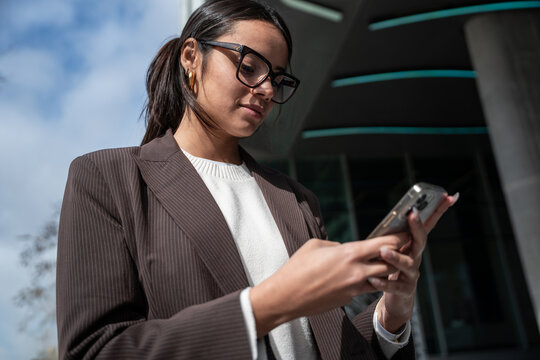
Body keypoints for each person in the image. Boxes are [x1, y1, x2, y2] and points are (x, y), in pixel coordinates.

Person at [56, 0, 457, 359]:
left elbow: (326, 346)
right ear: (192, 56)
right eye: (249, 67)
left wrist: (391, 314)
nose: (266, 89)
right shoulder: (108, 179)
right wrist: (265, 306)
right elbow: (97, 350)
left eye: (278, 79)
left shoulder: (296, 199)